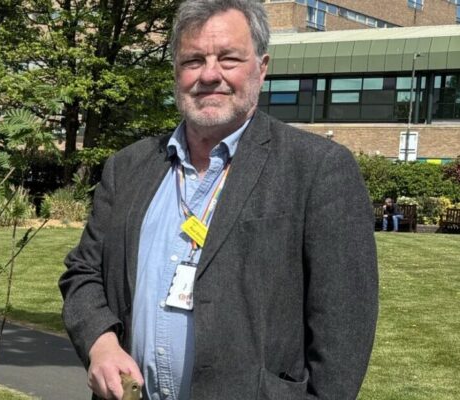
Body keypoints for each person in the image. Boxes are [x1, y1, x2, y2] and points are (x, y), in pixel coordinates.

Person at [57, 1, 378, 399]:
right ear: (176, 71)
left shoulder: (317, 169)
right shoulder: (129, 167)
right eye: (194, 60)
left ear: (261, 68)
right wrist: (100, 343)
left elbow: (343, 332)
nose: (210, 75)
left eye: (228, 58)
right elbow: (82, 272)